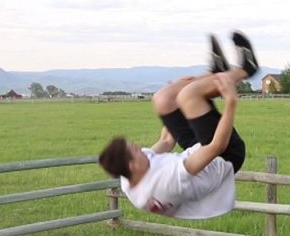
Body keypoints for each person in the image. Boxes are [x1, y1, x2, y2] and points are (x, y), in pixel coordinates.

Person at [98, 32, 259, 219]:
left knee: (163, 98)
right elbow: (217, 146)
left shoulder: (130, 179)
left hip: (196, 153)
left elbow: (166, 141)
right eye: (135, 150)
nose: (141, 149)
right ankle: (247, 68)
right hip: (223, 156)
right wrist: (231, 101)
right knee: (189, 96)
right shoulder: (167, 182)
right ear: (132, 165)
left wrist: (174, 93)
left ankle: (215, 72)